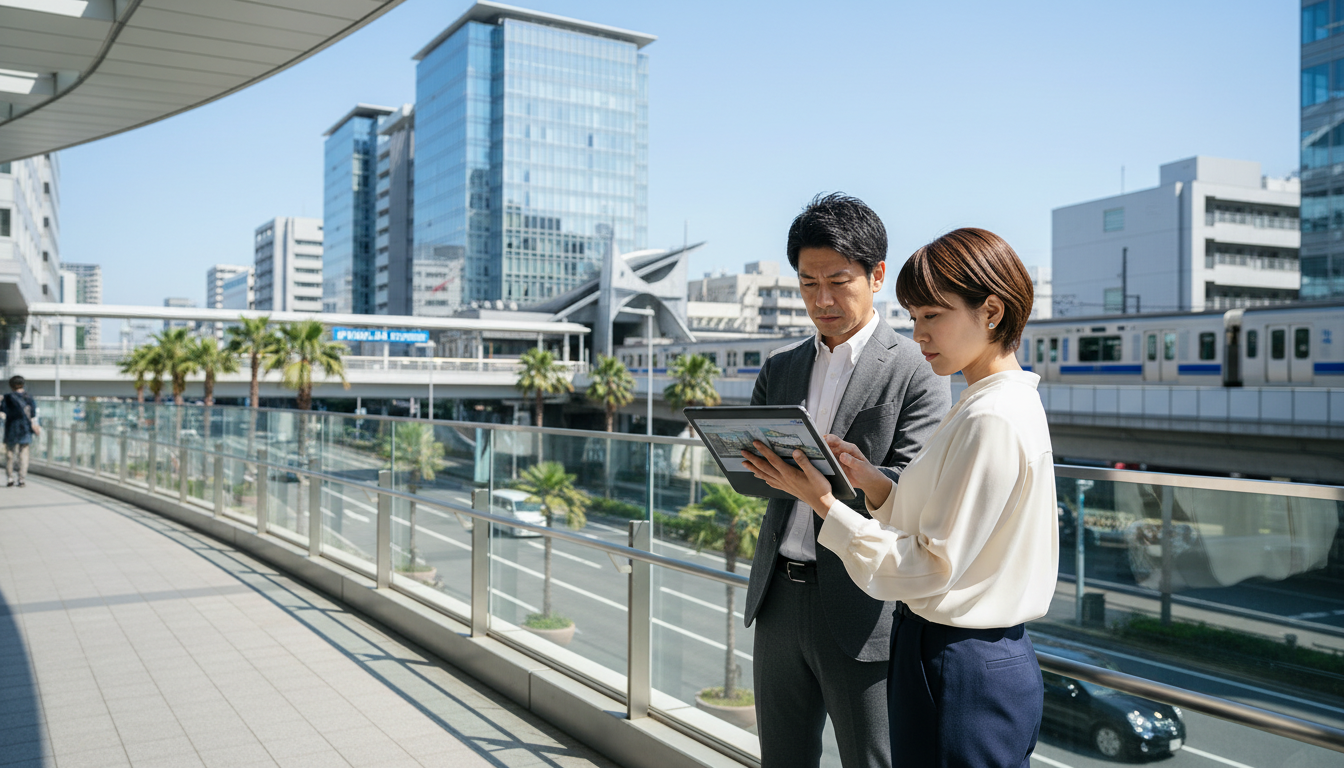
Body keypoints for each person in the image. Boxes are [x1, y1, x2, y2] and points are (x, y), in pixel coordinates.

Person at [742, 227, 1057, 768]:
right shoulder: (990, 404)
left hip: (954, 651)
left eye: (932, 316)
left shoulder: (989, 416)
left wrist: (825, 501)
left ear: (992, 312)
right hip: (948, 645)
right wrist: (873, 481)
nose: (920, 333)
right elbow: (938, 521)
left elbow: (931, 564)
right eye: (915, 317)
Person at [743, 193, 950, 768]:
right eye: (808, 283)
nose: (822, 300)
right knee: (781, 758)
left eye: (838, 281)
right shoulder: (779, 367)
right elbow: (753, 479)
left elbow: (912, 492)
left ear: (877, 275)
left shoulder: (918, 370)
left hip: (865, 605)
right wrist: (764, 468)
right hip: (778, 596)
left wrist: (835, 485)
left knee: (872, 759)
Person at [2, 375, 39, 488]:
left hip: (12, 428)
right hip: (25, 428)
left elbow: (3, 410)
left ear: (11, 385)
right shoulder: (28, 397)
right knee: (24, 453)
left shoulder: (7, 397)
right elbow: (32, 414)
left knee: (9, 454)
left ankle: (10, 478)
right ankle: (21, 478)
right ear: (23, 384)